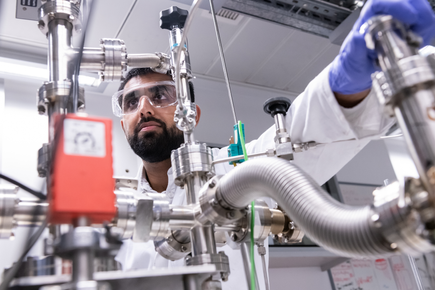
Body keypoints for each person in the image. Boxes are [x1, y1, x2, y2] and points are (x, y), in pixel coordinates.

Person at [113, 0, 435, 289]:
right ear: (123, 121)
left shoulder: (234, 169)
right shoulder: (112, 210)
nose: (144, 108)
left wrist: (344, 86)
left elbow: (297, 142)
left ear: (191, 114)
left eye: (160, 95)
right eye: (131, 102)